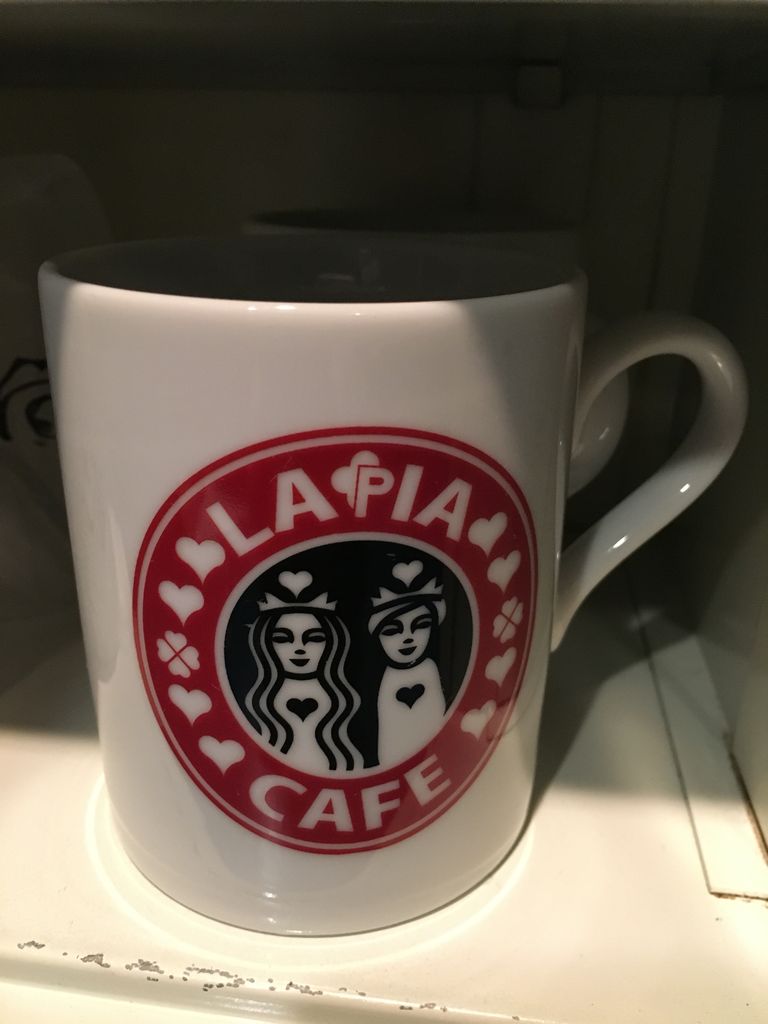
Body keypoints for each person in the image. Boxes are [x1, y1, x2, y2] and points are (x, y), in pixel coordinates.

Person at [245, 578, 362, 774]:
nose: (299, 648)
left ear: (332, 644)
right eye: (283, 638)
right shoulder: (266, 697)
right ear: (266, 645)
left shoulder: (337, 696)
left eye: (314, 638)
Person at [369, 573, 447, 768]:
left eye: (420, 625)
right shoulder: (385, 678)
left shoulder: (430, 670)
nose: (407, 637)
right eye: (392, 630)